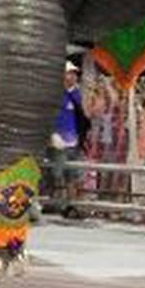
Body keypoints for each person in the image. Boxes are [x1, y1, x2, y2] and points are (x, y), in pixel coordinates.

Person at [48, 61, 85, 218]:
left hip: (74, 141)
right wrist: (52, 135)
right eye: (70, 73)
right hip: (58, 140)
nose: (73, 76)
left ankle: (72, 206)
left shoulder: (78, 94)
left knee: (73, 176)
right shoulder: (55, 94)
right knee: (57, 174)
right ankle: (55, 204)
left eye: (74, 73)